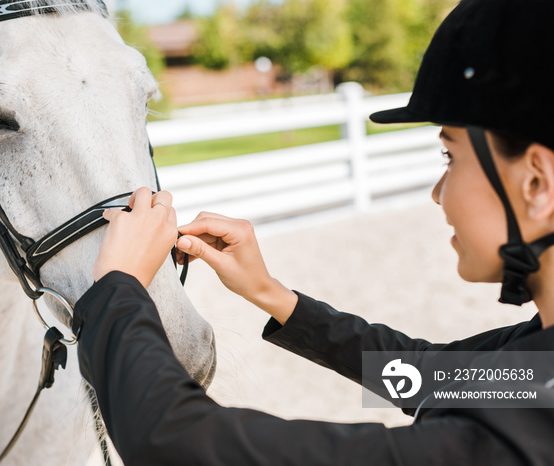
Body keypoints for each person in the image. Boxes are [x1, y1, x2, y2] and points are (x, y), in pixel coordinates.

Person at [72, 0, 554, 464]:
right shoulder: (538, 365)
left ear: (537, 182)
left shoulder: (514, 438)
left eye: (450, 157)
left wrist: (119, 285)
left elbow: (175, 444)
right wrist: (271, 294)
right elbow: (428, 380)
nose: (437, 192)